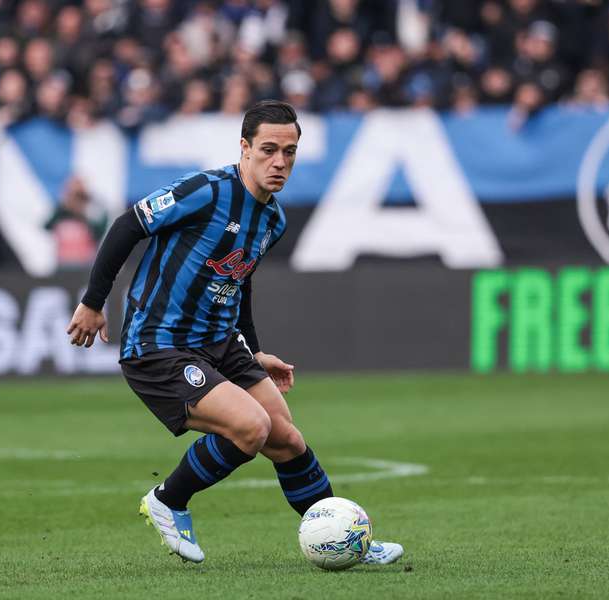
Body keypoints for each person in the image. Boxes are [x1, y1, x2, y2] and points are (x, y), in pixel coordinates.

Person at [65, 100, 403, 565]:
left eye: (289, 152)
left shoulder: (273, 220)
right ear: (244, 148)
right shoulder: (205, 190)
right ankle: (169, 499)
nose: (279, 162)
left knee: (285, 437)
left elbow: (237, 283)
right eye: (268, 149)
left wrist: (255, 352)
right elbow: (129, 224)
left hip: (221, 345)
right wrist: (93, 302)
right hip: (160, 344)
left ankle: (347, 543)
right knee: (251, 426)